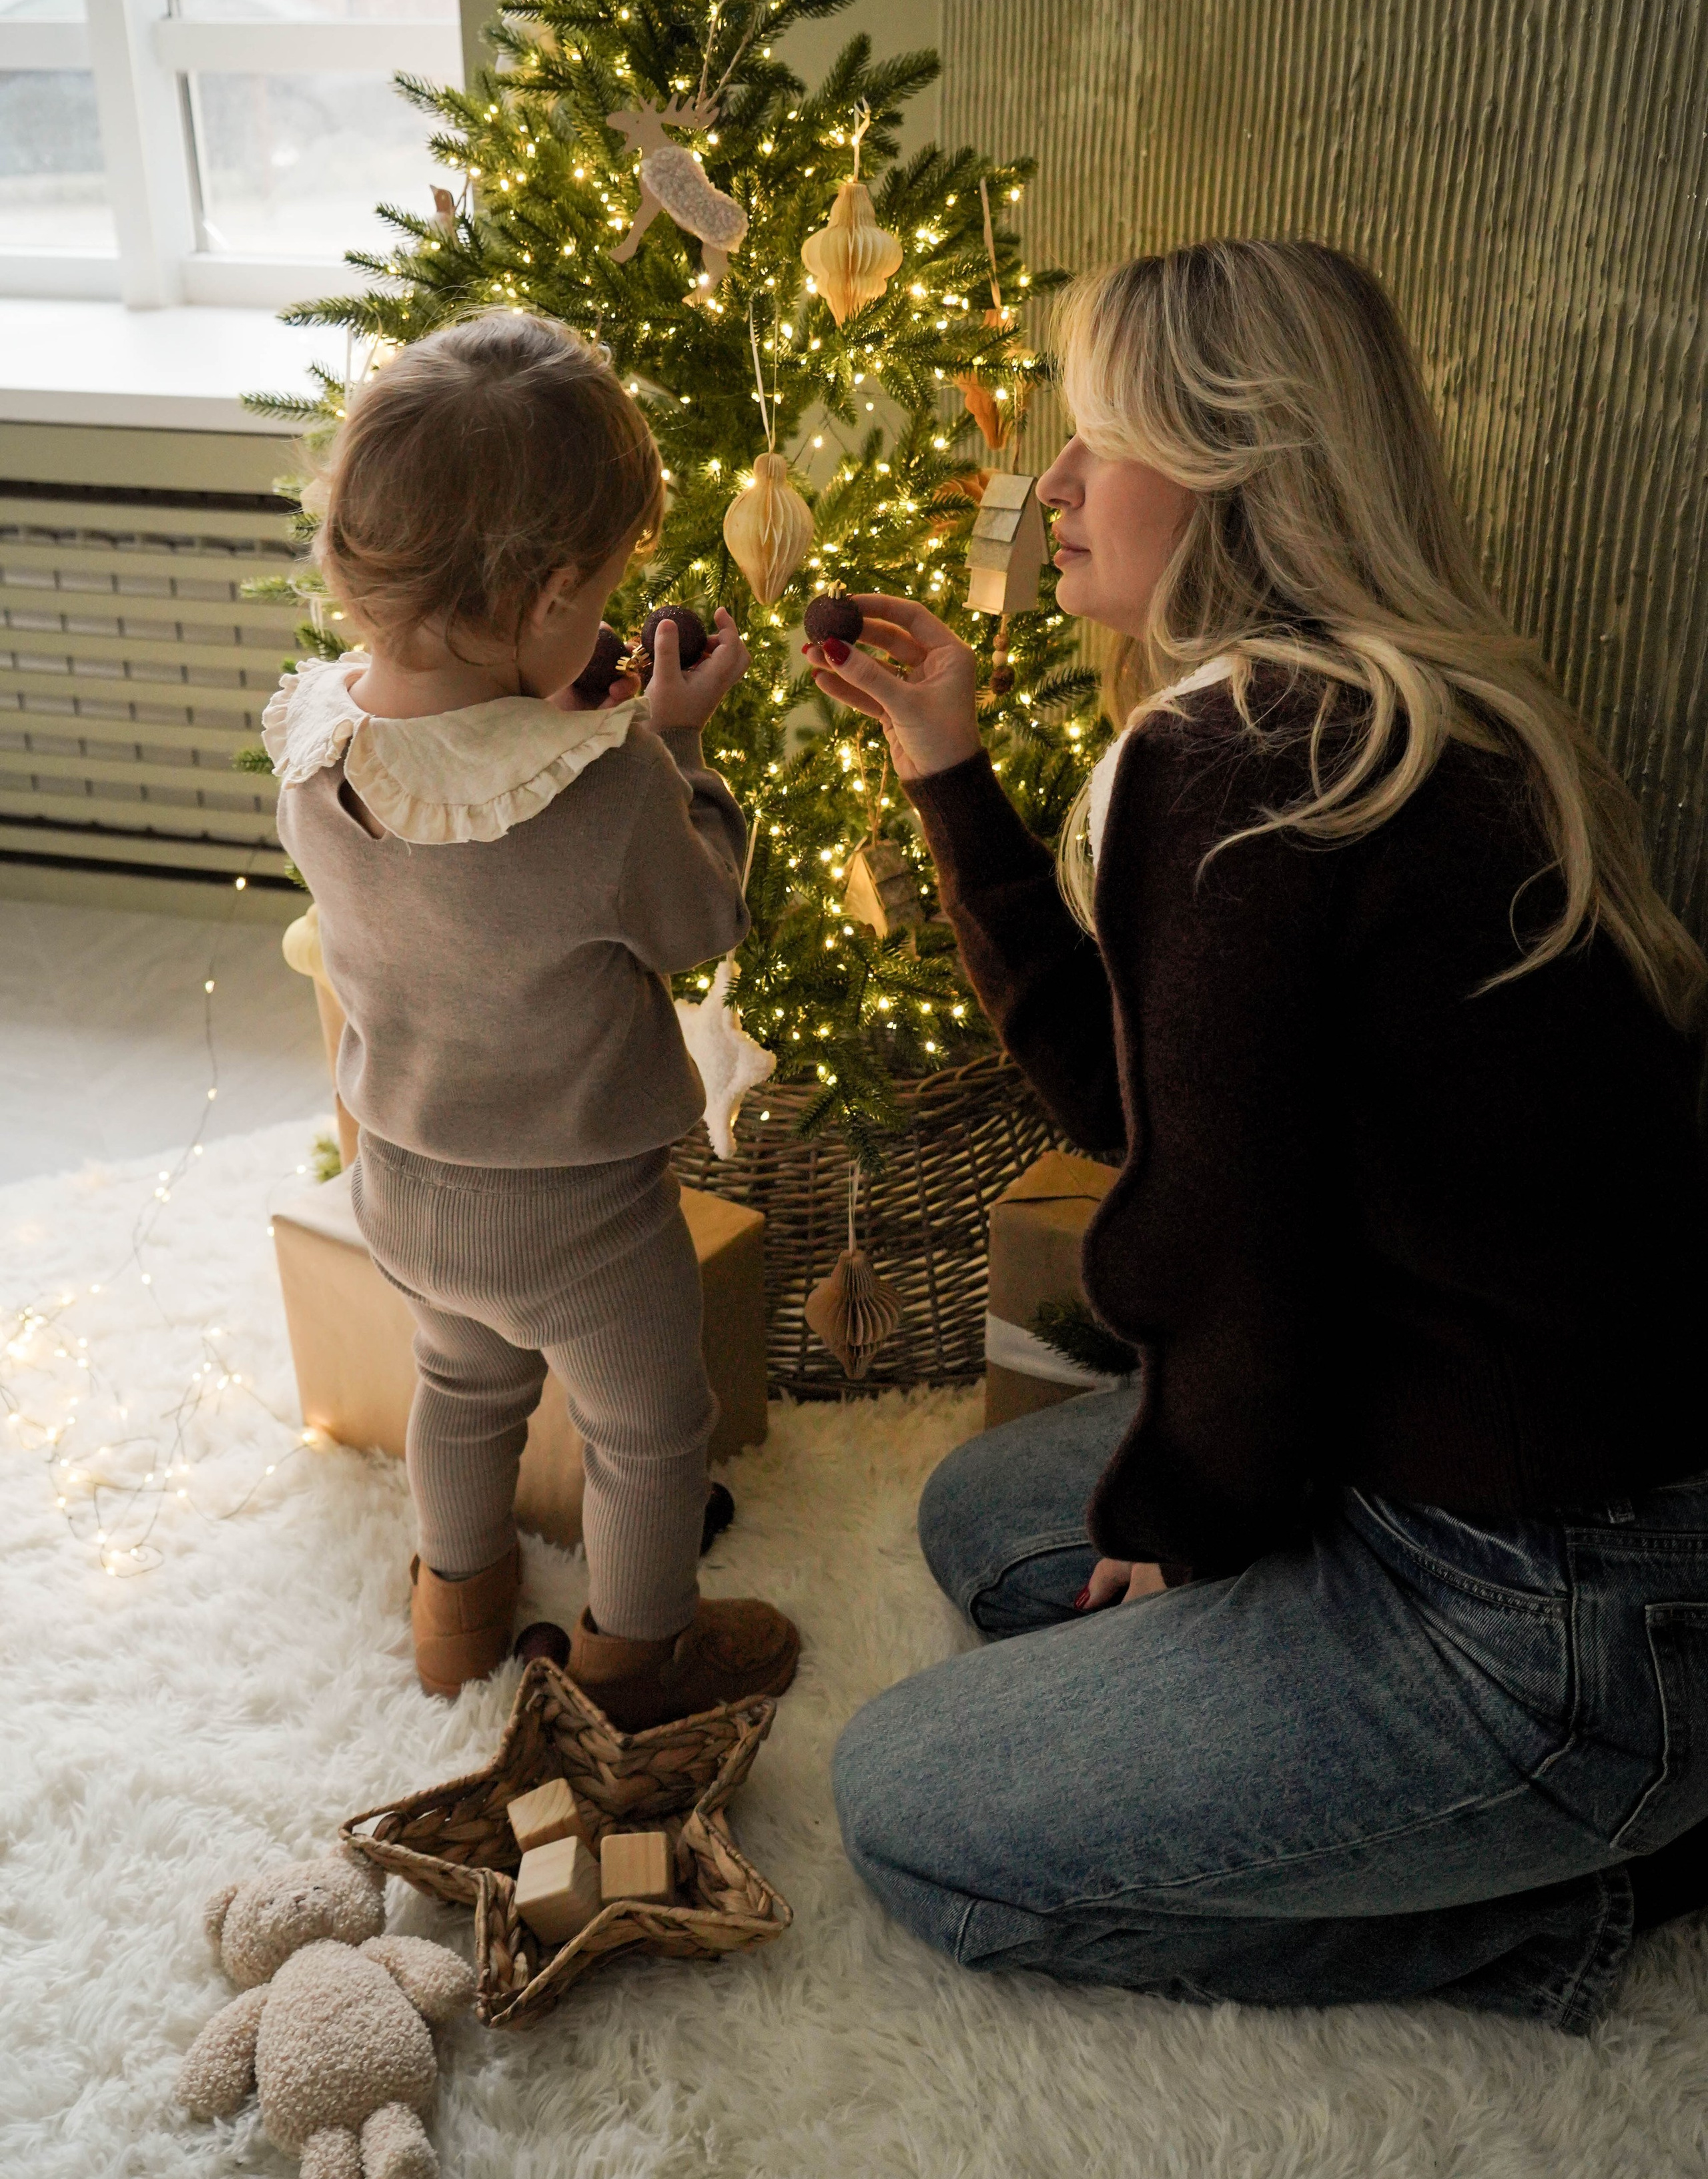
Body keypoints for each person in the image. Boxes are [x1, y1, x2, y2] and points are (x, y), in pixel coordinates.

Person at [811, 240, 1708, 2030]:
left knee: (908, 1816)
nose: (1049, 485)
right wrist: (943, 760)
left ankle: (1591, 1896)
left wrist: (1204, 1513)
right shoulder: (1374, 716)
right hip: (1476, 1494)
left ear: (1238, 464)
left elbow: (1212, 1243)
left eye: (1100, 439)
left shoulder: (1247, 751)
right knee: (993, 1516)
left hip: (1547, 1610)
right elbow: (1139, 1114)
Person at [266, 312, 799, 1723]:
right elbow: (699, 926)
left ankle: (456, 1611)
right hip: (581, 1220)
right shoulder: (605, 784)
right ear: (554, 592)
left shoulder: (313, 747)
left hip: (409, 1188)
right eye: (602, 585)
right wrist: (676, 744)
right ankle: (638, 1663)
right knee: (645, 1431)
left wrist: (549, 693)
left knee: (462, 1386)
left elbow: (455, 847)